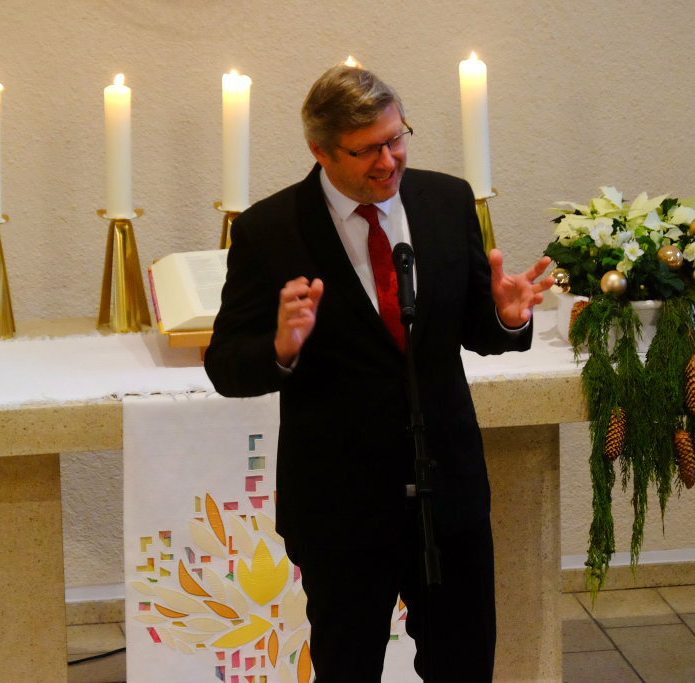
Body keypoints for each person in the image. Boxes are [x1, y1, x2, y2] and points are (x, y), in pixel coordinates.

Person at [204, 64, 552, 682]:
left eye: (397, 139)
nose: (389, 162)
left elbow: (474, 328)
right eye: (367, 150)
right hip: (342, 505)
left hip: (448, 490)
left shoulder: (446, 201)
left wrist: (504, 318)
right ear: (321, 150)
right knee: (348, 669)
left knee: (465, 666)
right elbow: (226, 366)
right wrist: (280, 347)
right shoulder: (269, 230)